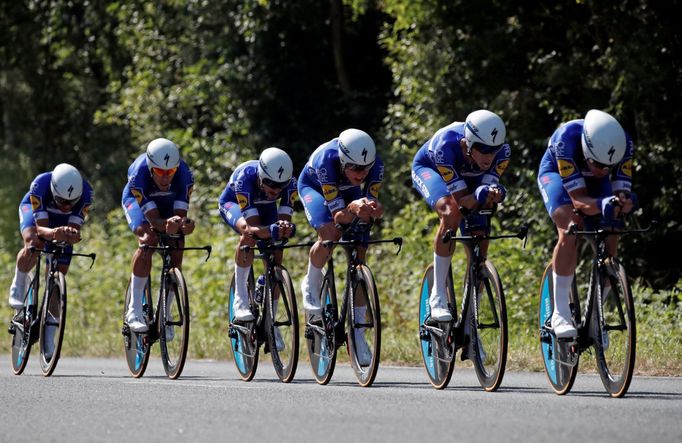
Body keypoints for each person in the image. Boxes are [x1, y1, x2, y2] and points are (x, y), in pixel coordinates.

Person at [537, 109, 636, 338]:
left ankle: (595, 315)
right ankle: (560, 312)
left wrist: (624, 202)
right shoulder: (566, 140)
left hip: (592, 184)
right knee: (571, 225)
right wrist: (602, 204)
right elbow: (579, 200)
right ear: (586, 149)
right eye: (598, 164)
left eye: (608, 167)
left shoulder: (623, 145)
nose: (603, 171)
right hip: (556, 176)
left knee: (613, 226)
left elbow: (621, 193)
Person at [412, 110, 511, 322]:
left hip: (470, 177)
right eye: (483, 150)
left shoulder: (503, 152)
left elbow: (483, 195)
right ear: (469, 143)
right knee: (451, 212)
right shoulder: (445, 147)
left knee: (480, 234)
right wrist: (479, 194)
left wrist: (494, 193)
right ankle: (438, 296)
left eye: (494, 150)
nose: (490, 156)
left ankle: (470, 319)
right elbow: (463, 201)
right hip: (431, 170)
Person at [298, 128, 384, 365]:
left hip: (347, 191)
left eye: (365, 169)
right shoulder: (327, 161)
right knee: (329, 233)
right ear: (343, 160)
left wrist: (373, 209)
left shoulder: (374, 165)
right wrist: (354, 208)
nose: (362, 173)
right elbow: (338, 216)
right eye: (356, 168)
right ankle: (311, 282)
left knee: (361, 244)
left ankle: (357, 334)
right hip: (314, 188)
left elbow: (373, 204)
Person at [8, 163, 93, 358]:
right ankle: (19, 282)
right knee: (34, 243)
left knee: (58, 275)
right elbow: (40, 229)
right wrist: (54, 232)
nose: (66, 205)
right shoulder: (40, 185)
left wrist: (71, 234)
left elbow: (75, 231)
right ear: (54, 190)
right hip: (37, 215)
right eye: (62, 200)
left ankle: (49, 334)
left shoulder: (87, 193)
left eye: (72, 202)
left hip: (62, 224)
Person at [218, 147, 297, 349]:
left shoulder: (291, 184)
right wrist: (269, 229)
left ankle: (271, 320)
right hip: (233, 204)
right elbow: (254, 227)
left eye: (281, 186)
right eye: (271, 184)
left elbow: (283, 222)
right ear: (261, 176)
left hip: (264, 207)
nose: (276, 190)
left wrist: (284, 228)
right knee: (249, 235)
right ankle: (241, 299)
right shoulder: (246, 178)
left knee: (277, 243)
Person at [121, 138, 196, 333]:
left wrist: (183, 226)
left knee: (178, 240)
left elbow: (179, 219)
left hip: (167, 202)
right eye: (161, 172)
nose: (166, 178)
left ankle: (166, 310)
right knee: (148, 238)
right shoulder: (138, 174)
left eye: (170, 172)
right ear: (151, 167)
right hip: (137, 202)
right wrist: (164, 225)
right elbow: (154, 221)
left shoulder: (185, 175)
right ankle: (134, 309)